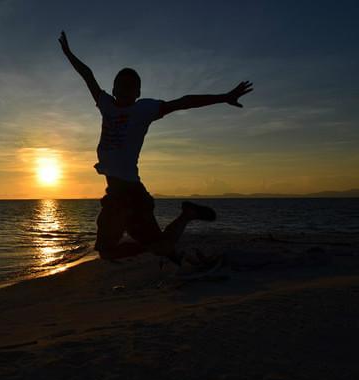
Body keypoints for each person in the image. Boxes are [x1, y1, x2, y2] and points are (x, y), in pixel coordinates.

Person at [58, 31, 253, 261]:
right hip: (117, 192)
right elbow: (87, 75)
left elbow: (185, 101)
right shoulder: (106, 105)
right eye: (120, 86)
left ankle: (178, 230)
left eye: (130, 87)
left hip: (130, 193)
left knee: (119, 250)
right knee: (136, 249)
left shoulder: (143, 110)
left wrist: (224, 97)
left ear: (138, 92)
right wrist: (69, 54)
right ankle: (181, 229)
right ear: (113, 89)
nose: (123, 90)